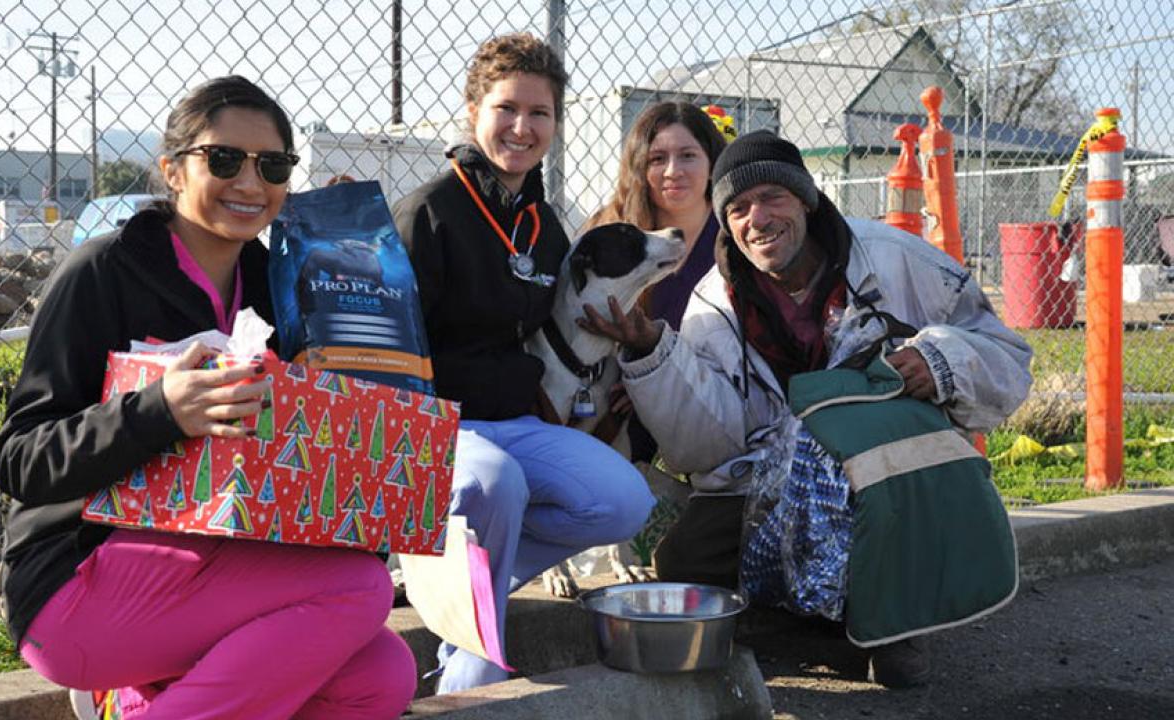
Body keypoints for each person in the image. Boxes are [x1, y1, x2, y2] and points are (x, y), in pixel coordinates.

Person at [0, 76, 417, 720]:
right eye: (224, 159)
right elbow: (20, 459)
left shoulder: (275, 284)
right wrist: (160, 409)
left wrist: (337, 273)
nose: (250, 183)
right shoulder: (103, 271)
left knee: (381, 676)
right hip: (77, 574)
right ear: (172, 169)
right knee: (359, 588)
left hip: (214, 559)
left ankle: (143, 699)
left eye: (272, 165)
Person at [582, 129, 1032, 687]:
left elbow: (1008, 359)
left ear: (806, 200)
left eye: (773, 197)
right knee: (686, 562)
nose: (758, 220)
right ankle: (824, 624)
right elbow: (710, 446)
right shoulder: (711, 306)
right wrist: (654, 352)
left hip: (882, 472)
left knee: (883, 528)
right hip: (769, 482)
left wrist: (941, 362)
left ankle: (896, 622)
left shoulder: (893, 258)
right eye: (739, 208)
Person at [392, 33, 655, 693]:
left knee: (624, 501)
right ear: (473, 111)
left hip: (513, 424)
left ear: (555, 124)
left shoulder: (543, 223)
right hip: (441, 428)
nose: (522, 126)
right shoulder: (427, 213)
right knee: (495, 484)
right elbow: (389, 351)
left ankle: (460, 574)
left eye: (540, 113)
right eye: (507, 108)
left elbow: (560, 331)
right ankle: (470, 687)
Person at [582, 102, 727, 459]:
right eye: (657, 159)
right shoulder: (609, 233)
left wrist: (658, 383)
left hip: (717, 401)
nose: (672, 171)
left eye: (688, 155)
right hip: (617, 407)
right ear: (638, 168)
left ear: (711, 163)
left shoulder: (734, 234)